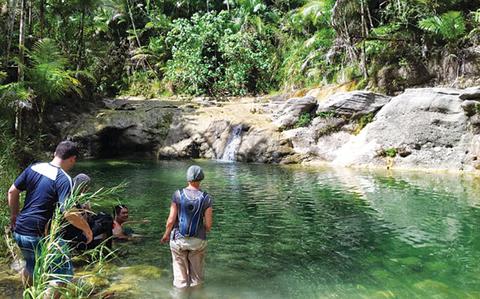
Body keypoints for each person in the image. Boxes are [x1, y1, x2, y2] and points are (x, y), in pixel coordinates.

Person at [7, 141, 93, 286]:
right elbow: (69, 213)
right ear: (73, 159)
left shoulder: (33, 168)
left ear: (55, 153)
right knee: (62, 276)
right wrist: (87, 229)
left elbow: (12, 191)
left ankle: (30, 295)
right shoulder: (64, 179)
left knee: (31, 266)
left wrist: (14, 215)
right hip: (40, 234)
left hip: (20, 230)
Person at [161, 165, 213, 289]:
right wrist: (203, 229)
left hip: (178, 240)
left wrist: (166, 235)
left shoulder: (177, 195)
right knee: (197, 280)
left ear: (187, 178)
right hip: (198, 241)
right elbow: (209, 225)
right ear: (201, 179)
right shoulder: (206, 198)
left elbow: (170, 220)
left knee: (180, 280)